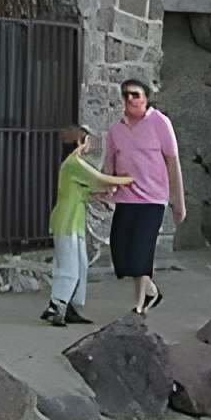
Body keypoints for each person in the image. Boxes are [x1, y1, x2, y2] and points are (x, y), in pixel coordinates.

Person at [102, 76, 185, 317]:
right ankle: (151, 291)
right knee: (120, 252)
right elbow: (110, 165)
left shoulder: (159, 123)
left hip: (152, 198)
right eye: (126, 94)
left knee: (141, 252)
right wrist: (107, 187)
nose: (130, 99)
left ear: (146, 98)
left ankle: (138, 307)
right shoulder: (116, 130)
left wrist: (178, 202)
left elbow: (173, 162)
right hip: (126, 198)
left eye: (135, 94)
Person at [40, 125, 132, 327]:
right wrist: (130, 179)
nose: (89, 144)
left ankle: (70, 306)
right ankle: (57, 306)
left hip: (74, 222)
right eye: (87, 140)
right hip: (67, 222)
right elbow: (100, 179)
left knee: (80, 266)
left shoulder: (74, 164)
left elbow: (88, 188)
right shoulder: (74, 164)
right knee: (69, 267)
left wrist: (102, 191)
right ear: (80, 142)